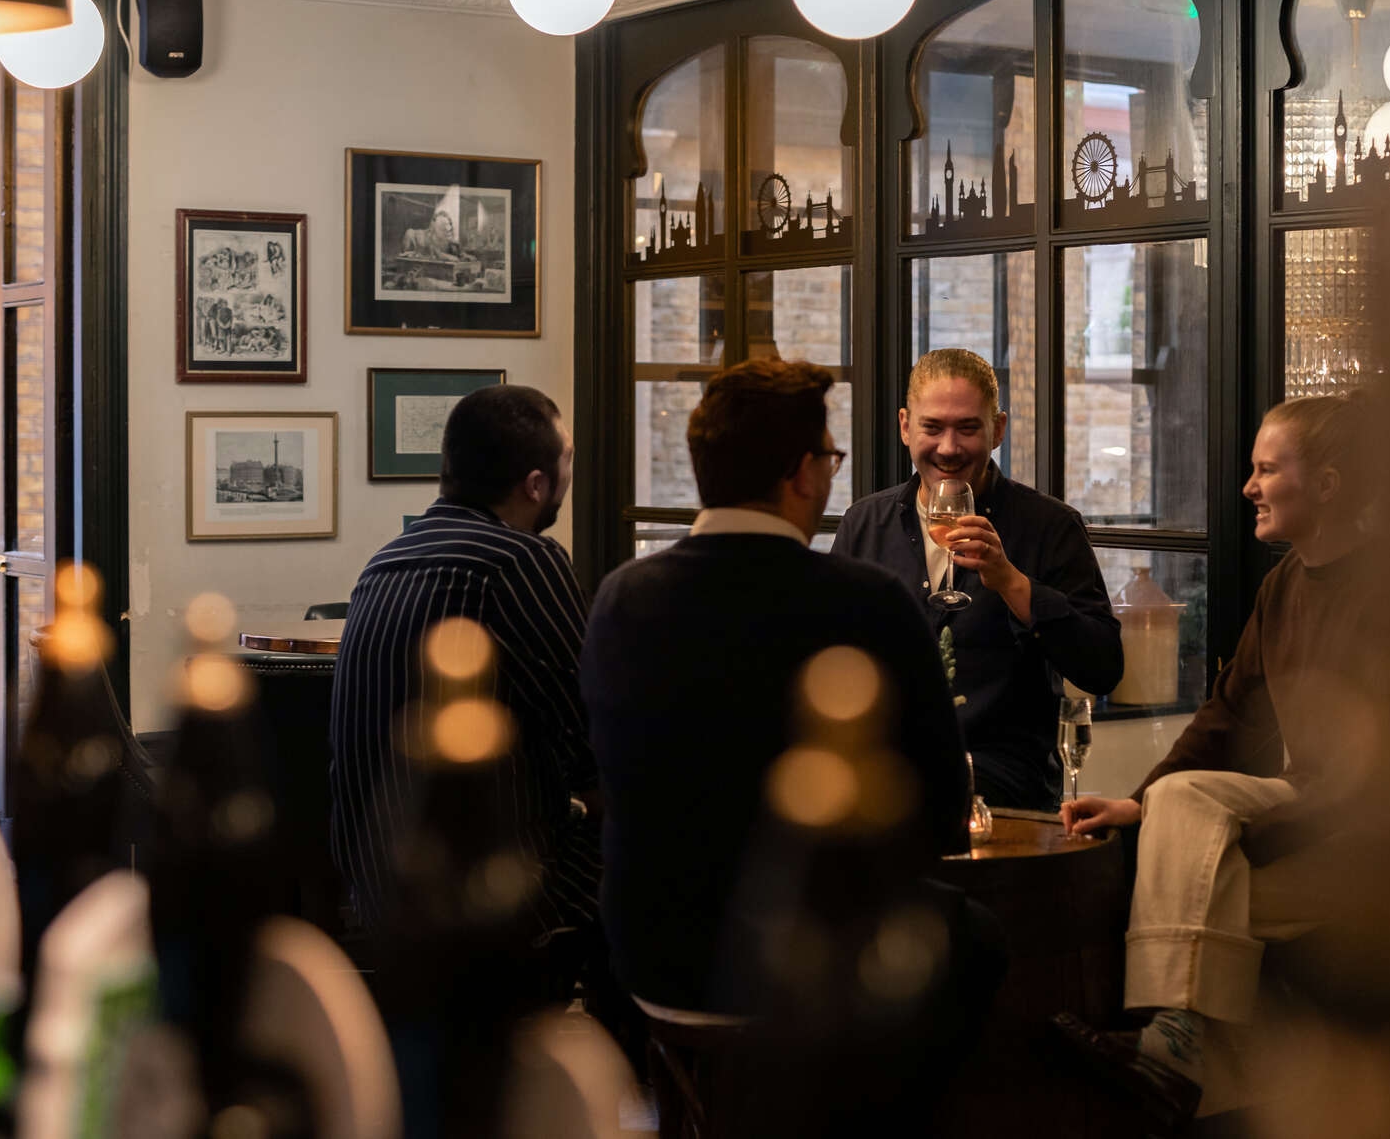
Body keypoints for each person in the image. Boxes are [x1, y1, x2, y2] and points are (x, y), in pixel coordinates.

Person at [583, 359, 996, 1133]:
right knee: (974, 942)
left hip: (646, 960)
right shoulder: (863, 600)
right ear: (803, 473)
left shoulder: (621, 597)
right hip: (812, 972)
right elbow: (943, 813)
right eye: (830, 459)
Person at [1054, 394, 1390, 1130]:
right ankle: (1207, 1077)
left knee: (1198, 876)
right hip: (1316, 818)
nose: (1247, 487)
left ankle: (1176, 1044)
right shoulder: (1283, 586)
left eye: (1266, 468)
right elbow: (1227, 713)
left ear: (1329, 485)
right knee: (1193, 856)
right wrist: (1139, 802)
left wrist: (1222, 831)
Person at [330, 384, 600, 966]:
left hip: (379, 897)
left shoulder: (385, 561)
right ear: (536, 484)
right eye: (568, 460)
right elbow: (591, 740)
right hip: (493, 903)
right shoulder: (522, 560)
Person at [833, 348, 1123, 810]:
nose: (949, 448)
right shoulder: (865, 524)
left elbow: (1103, 666)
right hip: (885, 772)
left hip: (1007, 781)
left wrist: (1011, 583)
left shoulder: (1050, 526)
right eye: (933, 428)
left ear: (998, 430)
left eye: (968, 428)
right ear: (906, 426)